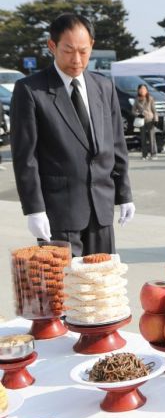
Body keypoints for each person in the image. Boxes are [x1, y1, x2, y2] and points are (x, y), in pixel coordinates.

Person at [10, 13, 134, 256]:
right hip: (59, 213)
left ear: (92, 47)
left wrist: (124, 193)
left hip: (101, 209)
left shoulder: (103, 86)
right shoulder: (31, 90)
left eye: (84, 51)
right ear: (52, 46)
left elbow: (116, 144)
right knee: (64, 290)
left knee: (99, 287)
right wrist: (34, 209)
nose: (77, 59)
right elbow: (25, 156)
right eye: (68, 50)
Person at [133, 84, 159, 160]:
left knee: (152, 138)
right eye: (141, 89)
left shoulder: (150, 98)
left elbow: (154, 111)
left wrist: (156, 119)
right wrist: (138, 114)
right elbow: (133, 111)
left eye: (144, 89)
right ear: (138, 90)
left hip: (150, 120)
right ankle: (144, 154)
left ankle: (153, 154)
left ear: (146, 90)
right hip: (141, 121)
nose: (142, 90)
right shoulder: (136, 99)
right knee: (143, 138)